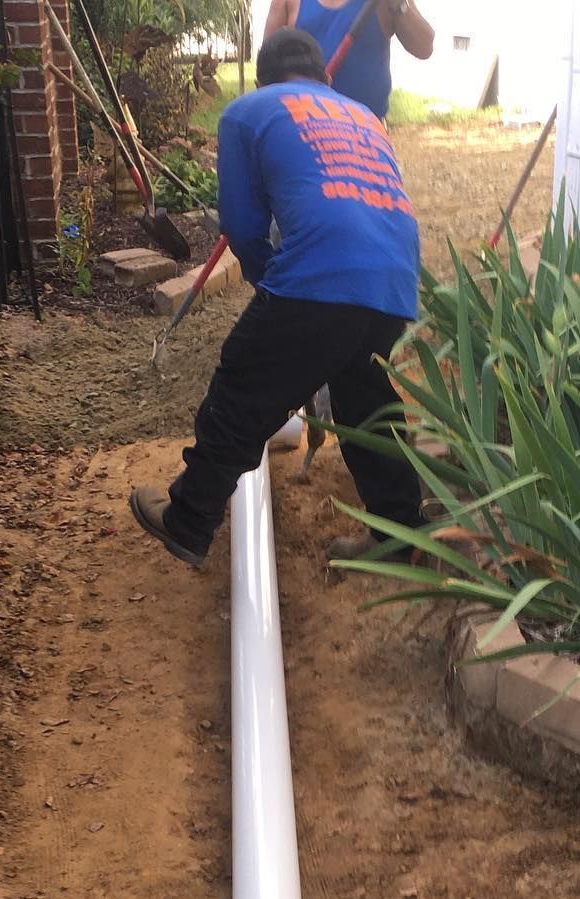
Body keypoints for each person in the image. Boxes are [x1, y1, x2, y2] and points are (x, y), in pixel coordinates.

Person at [131, 28, 425, 569]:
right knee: (365, 403)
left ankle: (189, 518)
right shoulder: (363, 116)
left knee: (243, 382)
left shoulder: (249, 110)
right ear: (325, 78)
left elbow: (243, 226)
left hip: (323, 270)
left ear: (265, 79)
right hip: (396, 280)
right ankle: (403, 530)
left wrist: (275, 288)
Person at [263, 0, 434, 121]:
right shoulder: (287, 2)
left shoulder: (384, 4)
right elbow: (266, 72)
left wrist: (398, 4)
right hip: (303, 133)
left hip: (367, 137)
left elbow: (424, 47)